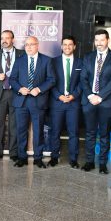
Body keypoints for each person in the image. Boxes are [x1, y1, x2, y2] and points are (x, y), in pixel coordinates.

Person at [80, 29, 111, 175]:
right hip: (89, 101)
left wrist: (100, 96)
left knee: (104, 134)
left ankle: (103, 163)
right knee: (90, 133)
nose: (99, 43)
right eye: (96, 40)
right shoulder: (88, 57)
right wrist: (90, 95)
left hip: (106, 102)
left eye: (102, 40)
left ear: (108, 40)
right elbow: (83, 78)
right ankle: (90, 161)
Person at [9, 36, 55, 168]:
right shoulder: (19, 61)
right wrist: (19, 89)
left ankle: (38, 158)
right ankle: (22, 157)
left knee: (38, 131)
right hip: (21, 101)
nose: (29, 47)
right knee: (21, 130)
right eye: (26, 44)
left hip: (38, 101)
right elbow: (12, 79)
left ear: (38, 45)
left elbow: (51, 79)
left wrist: (39, 89)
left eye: (32, 44)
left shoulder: (46, 60)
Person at [48, 36, 83, 168]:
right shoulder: (53, 62)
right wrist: (59, 96)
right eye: (65, 44)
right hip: (57, 102)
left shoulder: (81, 63)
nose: (67, 47)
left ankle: (73, 159)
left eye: (70, 45)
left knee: (73, 132)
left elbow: (82, 82)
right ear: (61, 46)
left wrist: (74, 95)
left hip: (73, 103)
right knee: (55, 131)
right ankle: (54, 157)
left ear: (74, 46)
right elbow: (50, 81)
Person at [0, 30, 21, 161]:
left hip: (16, 93)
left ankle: (14, 152)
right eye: (2, 38)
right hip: (0, 93)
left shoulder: (21, 54)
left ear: (12, 40)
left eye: (7, 38)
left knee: (14, 124)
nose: (4, 40)